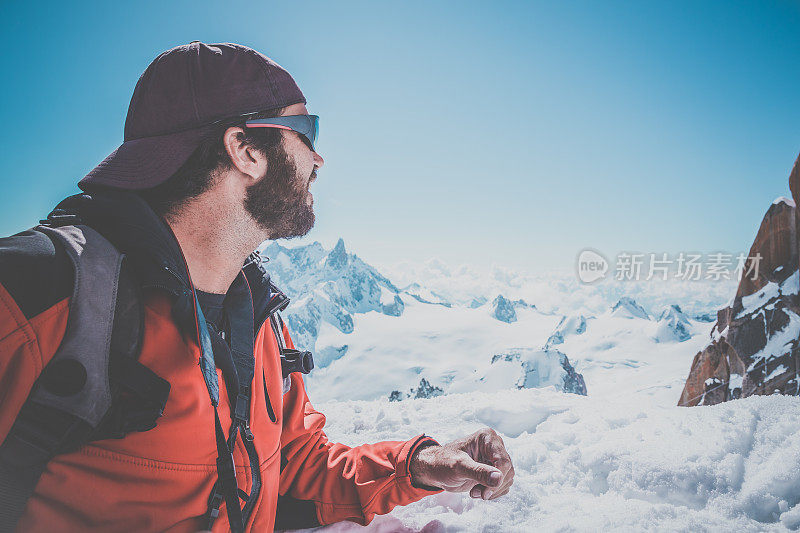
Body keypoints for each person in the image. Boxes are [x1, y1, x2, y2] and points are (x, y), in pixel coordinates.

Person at [0, 41, 514, 532]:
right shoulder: (42, 292)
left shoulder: (256, 314)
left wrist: (420, 463)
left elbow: (294, 464)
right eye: (307, 131)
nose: (318, 160)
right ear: (244, 149)